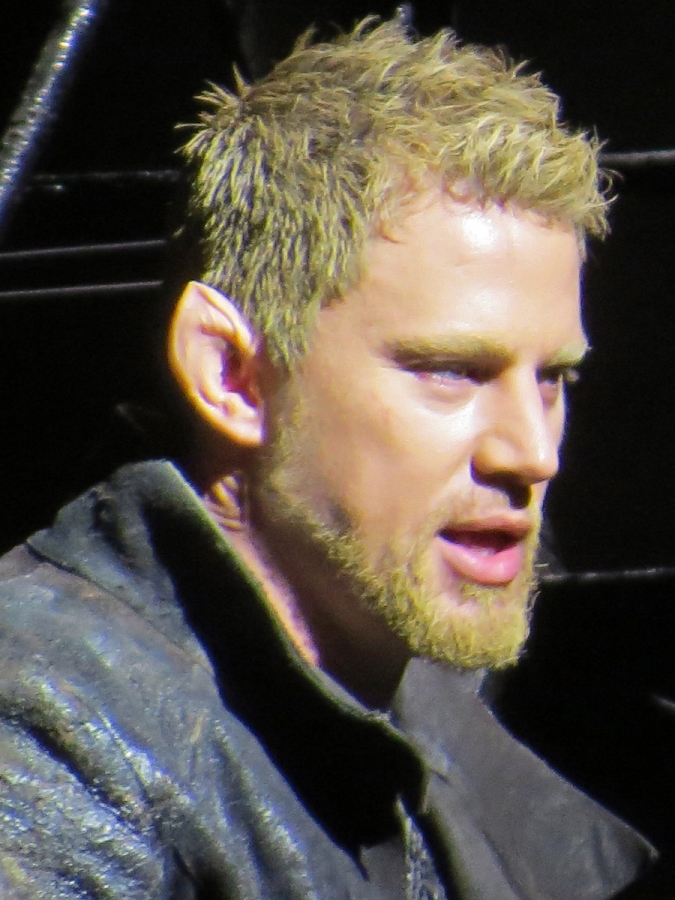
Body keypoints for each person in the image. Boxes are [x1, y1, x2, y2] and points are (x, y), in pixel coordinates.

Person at [0, 16, 656, 899]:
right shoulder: (44, 730)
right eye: (451, 372)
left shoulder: (426, 703)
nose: (531, 454)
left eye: (552, 379)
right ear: (231, 373)